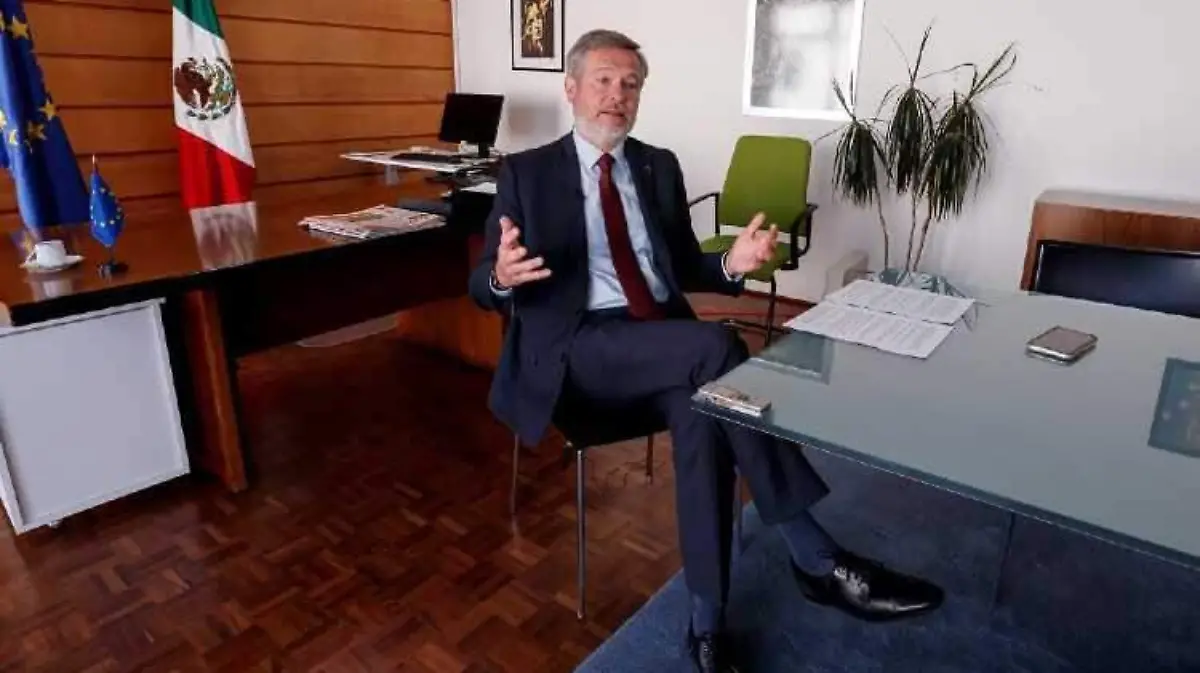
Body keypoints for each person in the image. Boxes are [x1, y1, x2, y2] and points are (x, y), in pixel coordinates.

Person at [469, 29, 944, 673]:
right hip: (578, 350)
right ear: (572, 88)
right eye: (604, 80)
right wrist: (501, 277)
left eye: (631, 84)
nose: (617, 95)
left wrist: (730, 265)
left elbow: (685, 265)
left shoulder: (657, 166)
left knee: (706, 415)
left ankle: (706, 626)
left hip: (663, 344)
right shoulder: (527, 173)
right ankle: (817, 557)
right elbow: (482, 284)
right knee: (719, 346)